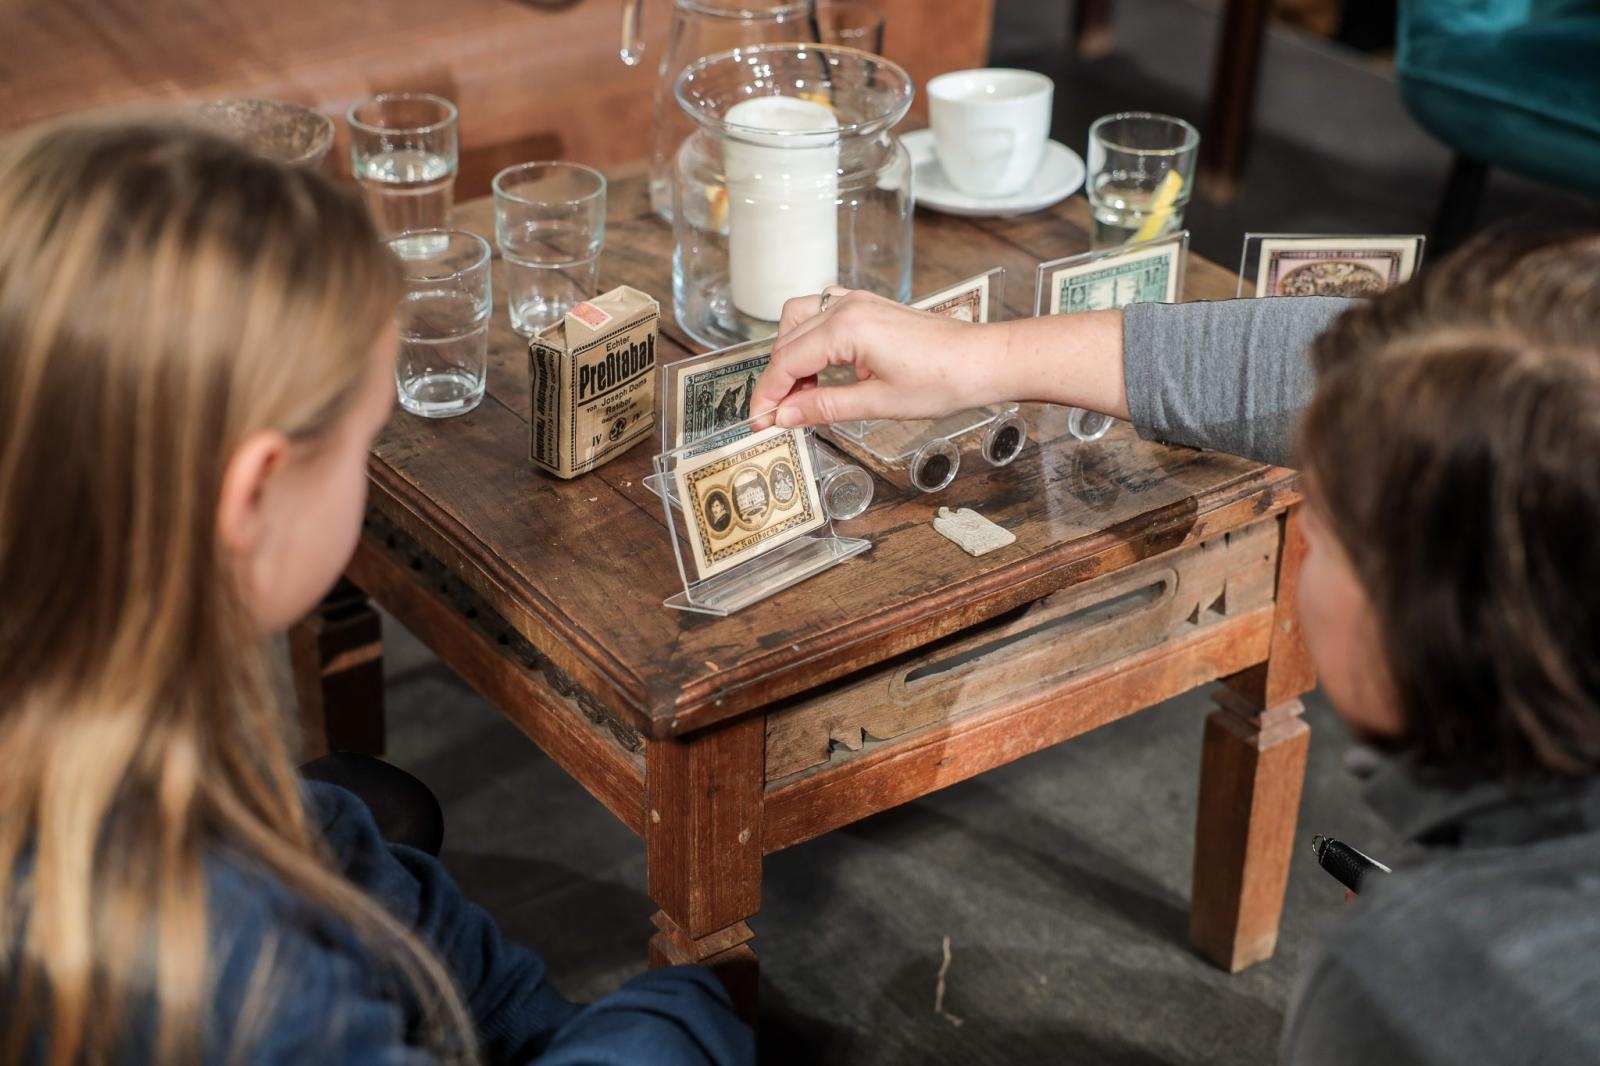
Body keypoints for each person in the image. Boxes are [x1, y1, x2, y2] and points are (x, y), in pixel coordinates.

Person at [0, 115, 753, 1065]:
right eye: (364, 440)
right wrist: (681, 1017)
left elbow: (324, 846)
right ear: (255, 494)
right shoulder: (226, 973)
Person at [752, 234, 1600, 1064]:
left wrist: (1412, 968)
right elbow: (1374, 377)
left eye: (1328, 530)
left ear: (1430, 622)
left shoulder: (1419, 992)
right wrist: (979, 357)